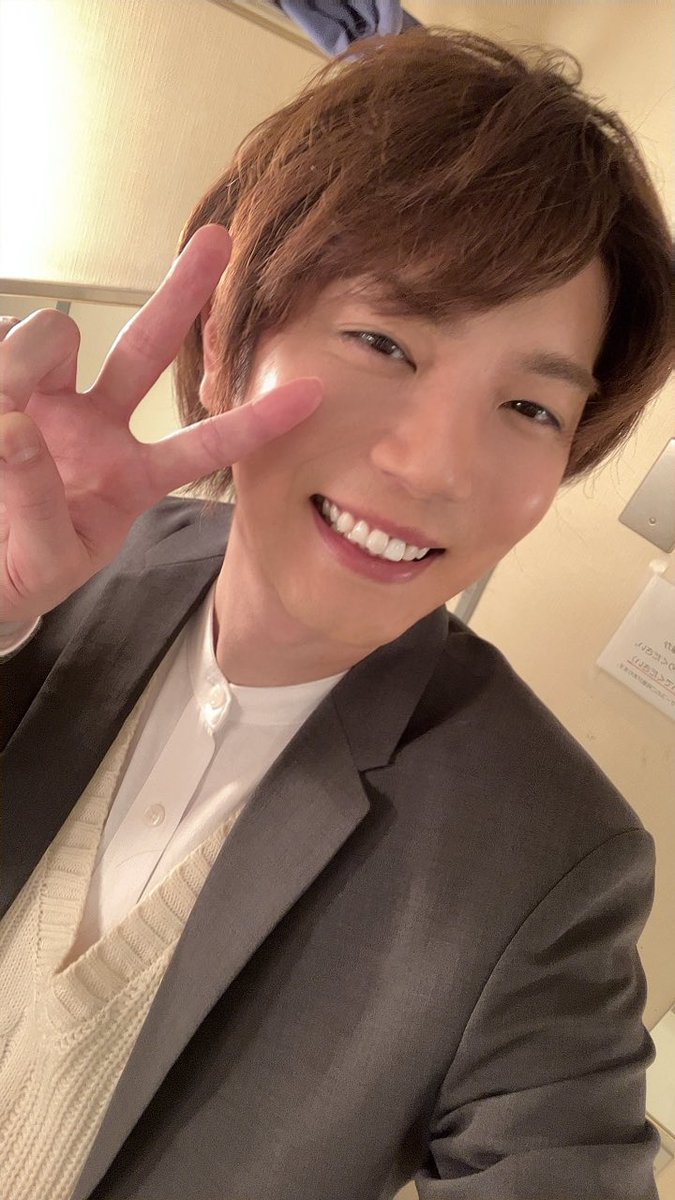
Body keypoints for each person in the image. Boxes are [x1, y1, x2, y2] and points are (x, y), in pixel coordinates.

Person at [0, 26, 672, 1200]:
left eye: (529, 407)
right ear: (226, 345)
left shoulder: (548, 857)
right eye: (383, 341)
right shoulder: (49, 579)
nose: (435, 467)